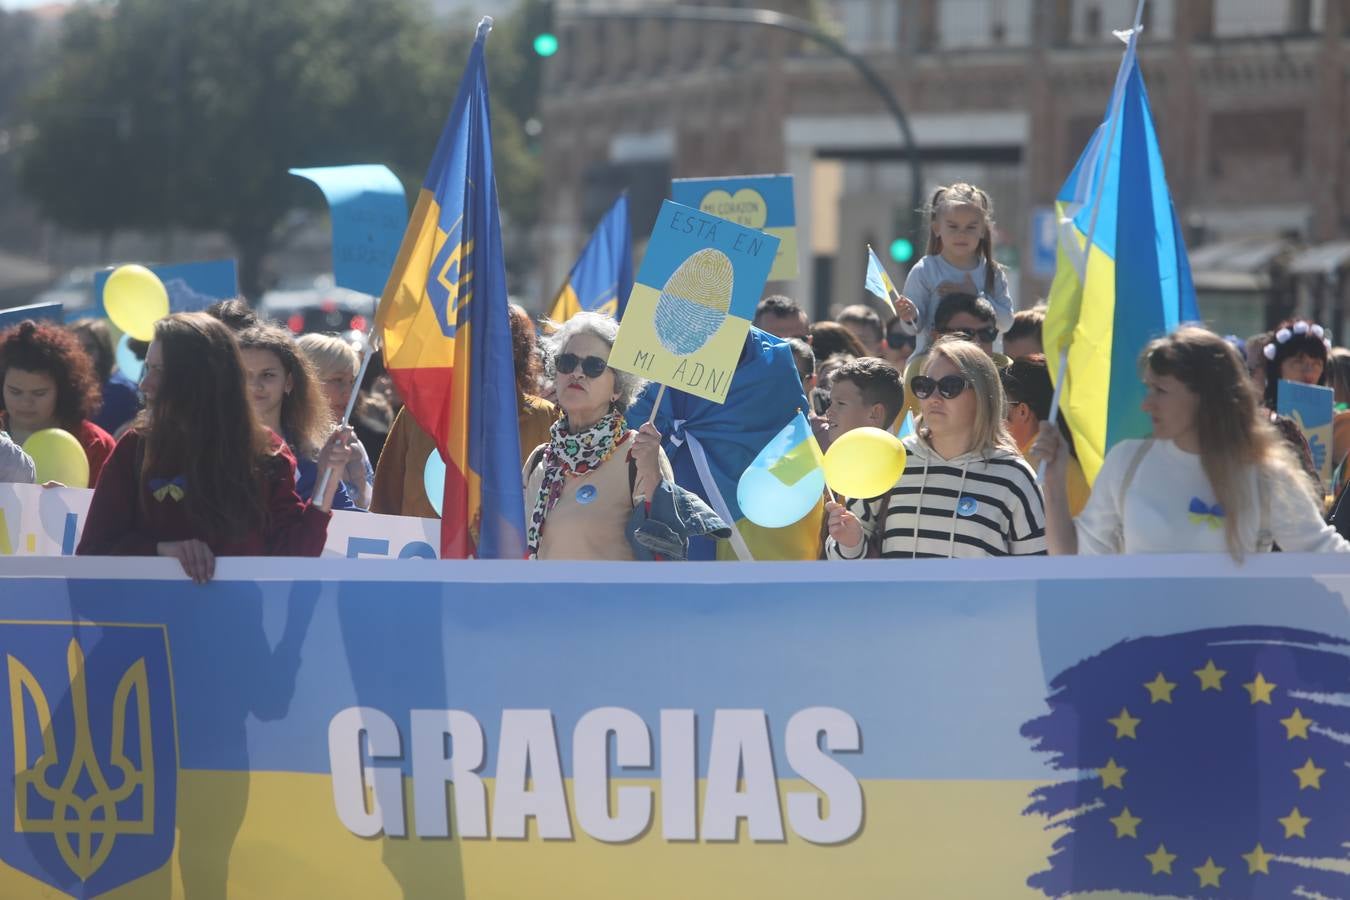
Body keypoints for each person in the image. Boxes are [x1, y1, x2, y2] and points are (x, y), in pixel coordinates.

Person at [1033, 326, 1349, 559]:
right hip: (1139, 647)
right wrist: (1054, 483)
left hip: (1233, 649)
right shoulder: (1126, 462)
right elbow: (1073, 563)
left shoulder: (1266, 473)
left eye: (1161, 391)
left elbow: (1325, 555)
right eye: (1149, 389)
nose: (1147, 404)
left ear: (1204, 397)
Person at [76, 313, 348, 582]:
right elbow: (92, 554)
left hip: (237, 625)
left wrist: (328, 480)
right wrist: (161, 551)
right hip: (152, 625)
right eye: (148, 368)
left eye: (161, 371)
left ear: (203, 377)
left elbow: (291, 559)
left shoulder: (267, 451)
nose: (145, 384)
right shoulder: (135, 448)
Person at [826, 336, 1046, 559]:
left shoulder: (1015, 477)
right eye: (925, 386)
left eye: (950, 387)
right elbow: (842, 560)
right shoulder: (889, 458)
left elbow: (1035, 573)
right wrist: (849, 543)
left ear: (982, 394)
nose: (934, 397)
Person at [523, 312, 671, 560]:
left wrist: (653, 476)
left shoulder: (638, 454)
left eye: (594, 366)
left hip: (613, 600)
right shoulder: (540, 460)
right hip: (544, 599)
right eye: (567, 362)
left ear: (617, 389)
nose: (577, 373)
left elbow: (665, 547)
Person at [237, 325, 356, 511]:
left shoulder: (311, 458)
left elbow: (351, 521)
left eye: (267, 375)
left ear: (289, 382)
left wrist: (329, 477)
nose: (255, 386)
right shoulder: (209, 447)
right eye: (245, 375)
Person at [893, 183, 1015, 350]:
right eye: (953, 226)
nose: (961, 234)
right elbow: (913, 327)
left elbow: (1006, 323)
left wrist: (976, 296)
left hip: (983, 365)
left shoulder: (993, 273)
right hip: (933, 365)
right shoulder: (925, 270)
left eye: (971, 227)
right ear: (937, 228)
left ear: (982, 230)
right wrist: (910, 315)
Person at [0, 320, 116, 485]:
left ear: (63, 391)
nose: (26, 402)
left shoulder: (96, 444)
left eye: (39, 393)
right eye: (15, 392)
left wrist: (67, 502)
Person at [1001, 354, 1088, 516]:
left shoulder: (1032, 467)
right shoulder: (1057, 456)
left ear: (1022, 411)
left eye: (998, 406)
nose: (991, 416)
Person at [297, 333, 374, 509]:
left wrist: (359, 482)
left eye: (351, 381)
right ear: (307, 381)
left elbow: (372, 517)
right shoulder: (287, 443)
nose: (348, 391)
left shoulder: (352, 443)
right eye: (337, 380)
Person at [68, 319, 140, 435]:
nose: (82, 355)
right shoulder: (69, 389)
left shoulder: (120, 390)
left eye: (89, 348)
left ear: (103, 350)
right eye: (76, 348)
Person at [822, 356, 903, 446]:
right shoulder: (830, 457)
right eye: (830, 402)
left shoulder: (900, 459)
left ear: (875, 413)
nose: (828, 412)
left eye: (841, 403)